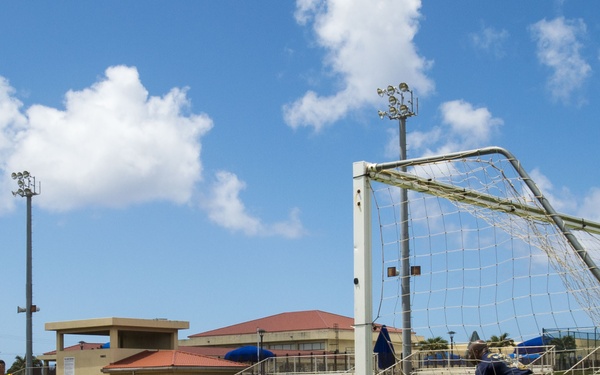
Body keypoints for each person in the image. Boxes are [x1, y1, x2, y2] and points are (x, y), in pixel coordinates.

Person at [468, 340, 533, 375]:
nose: (469, 357)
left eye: (470, 353)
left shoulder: (484, 364)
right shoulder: (501, 355)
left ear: (476, 352)